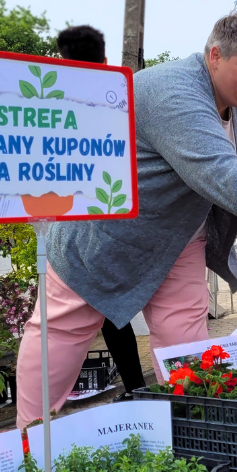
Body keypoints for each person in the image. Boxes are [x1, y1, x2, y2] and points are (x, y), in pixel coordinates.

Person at [15, 13, 237, 429]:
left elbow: (234, 176)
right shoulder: (173, 92)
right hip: (104, 235)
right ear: (215, 56)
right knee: (61, 331)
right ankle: (29, 442)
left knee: (185, 341)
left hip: (179, 239)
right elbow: (221, 172)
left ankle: (190, 432)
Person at [54, 24, 146, 399]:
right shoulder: (123, 97)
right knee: (116, 311)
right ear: (105, 59)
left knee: (76, 317)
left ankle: (51, 405)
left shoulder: (53, 101)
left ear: (60, 62)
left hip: (74, 220)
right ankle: (140, 386)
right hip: (120, 213)